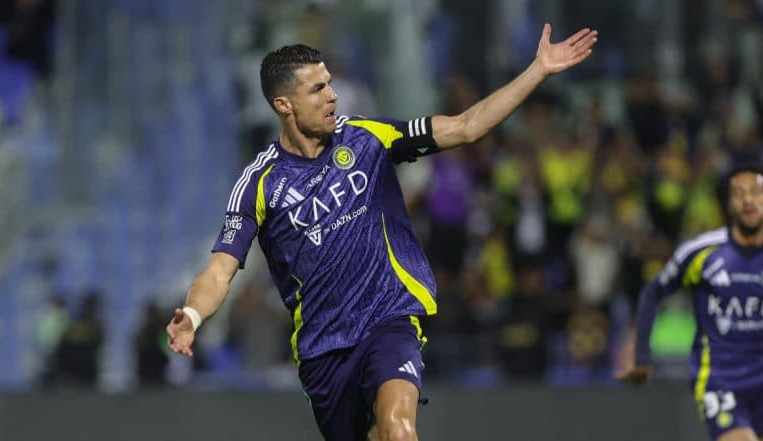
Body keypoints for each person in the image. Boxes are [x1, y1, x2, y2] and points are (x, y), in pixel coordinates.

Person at [167, 24, 598, 441]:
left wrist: (537, 70)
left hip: (388, 320)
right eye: (318, 89)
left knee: (398, 429)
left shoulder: (367, 138)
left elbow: (467, 126)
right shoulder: (260, 184)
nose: (333, 96)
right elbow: (220, 271)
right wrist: (192, 316)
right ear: (284, 105)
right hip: (324, 352)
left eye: (330, 84)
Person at [617, 164, 763, 441]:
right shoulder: (702, 252)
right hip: (721, 379)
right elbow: (652, 293)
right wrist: (641, 357)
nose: (748, 200)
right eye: (739, 194)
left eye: (757, 192)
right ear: (729, 204)